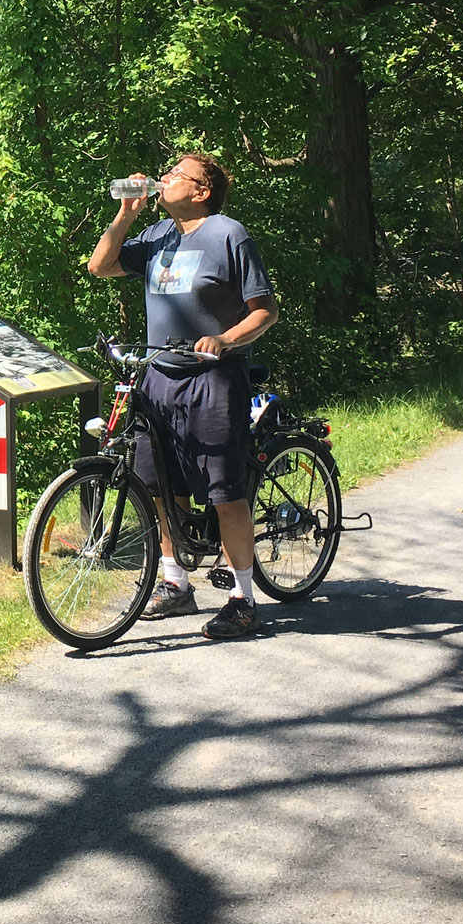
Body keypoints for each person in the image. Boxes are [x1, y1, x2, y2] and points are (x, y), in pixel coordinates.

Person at [86, 151, 278, 640]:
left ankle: (242, 600)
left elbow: (265, 311)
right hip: (157, 377)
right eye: (166, 172)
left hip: (212, 379)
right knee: (159, 487)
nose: (164, 178)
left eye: (177, 175)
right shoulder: (156, 236)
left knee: (224, 491)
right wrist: (125, 215)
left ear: (202, 191)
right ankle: (176, 584)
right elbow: (99, 266)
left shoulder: (228, 234)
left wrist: (227, 339)